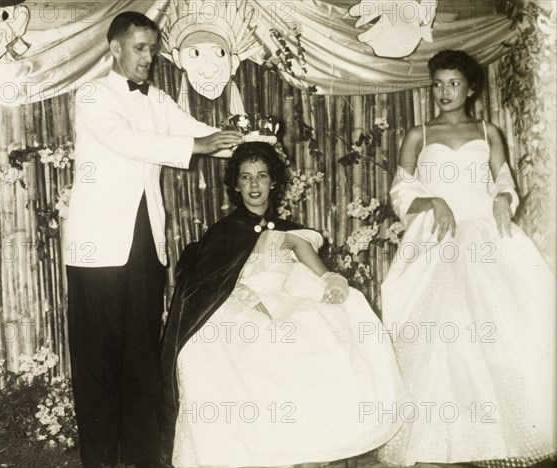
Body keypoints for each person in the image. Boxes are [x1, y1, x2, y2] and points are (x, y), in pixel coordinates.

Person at [63, 11, 242, 468]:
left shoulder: (158, 98)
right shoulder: (92, 94)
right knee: (98, 358)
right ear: (115, 48)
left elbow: (195, 131)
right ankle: (99, 460)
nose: (149, 56)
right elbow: (128, 140)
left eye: (152, 47)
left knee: (142, 353)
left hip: (145, 242)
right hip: (96, 247)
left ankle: (144, 458)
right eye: (140, 47)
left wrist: (244, 139)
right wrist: (198, 146)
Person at [160, 142, 406, 467]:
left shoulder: (289, 235)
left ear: (273, 182)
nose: (254, 185)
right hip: (234, 306)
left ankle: (308, 444)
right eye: (245, 177)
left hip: (280, 303)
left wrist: (333, 284)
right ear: (235, 185)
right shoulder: (225, 233)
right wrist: (245, 296)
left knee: (314, 331)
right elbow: (207, 287)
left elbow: (321, 272)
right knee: (229, 339)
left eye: (261, 176)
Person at [379, 49, 556, 465]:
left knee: (501, 326)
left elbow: (503, 181)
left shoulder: (489, 130)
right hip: (439, 234)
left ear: (471, 88)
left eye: (453, 83)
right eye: (438, 83)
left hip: (485, 231)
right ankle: (441, 439)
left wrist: (503, 199)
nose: (444, 91)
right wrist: (432, 198)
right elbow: (400, 191)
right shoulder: (417, 134)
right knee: (443, 331)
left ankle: (499, 437)